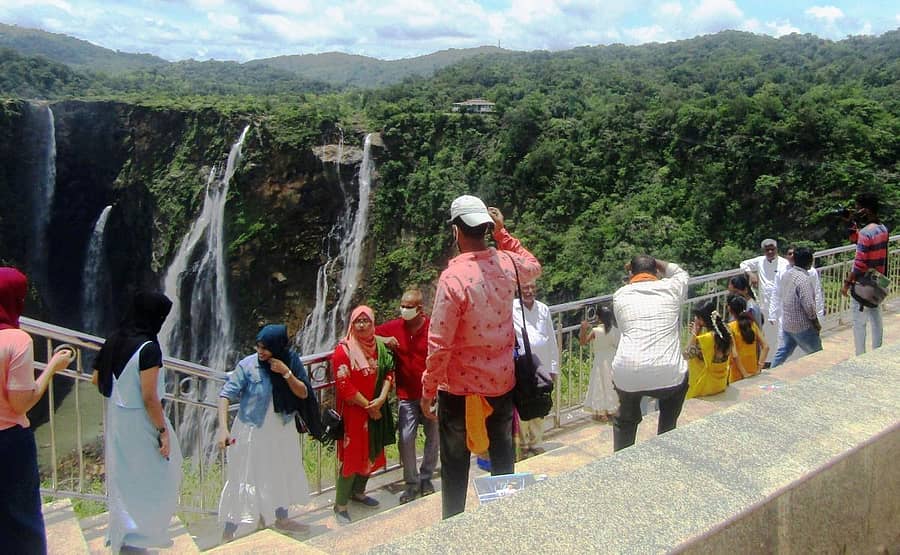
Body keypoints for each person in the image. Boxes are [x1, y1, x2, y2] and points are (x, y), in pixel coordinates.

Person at [420, 195, 541, 519]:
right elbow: (534, 266)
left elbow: (440, 342)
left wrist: (428, 389)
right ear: (486, 228)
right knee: (502, 454)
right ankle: (504, 520)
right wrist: (504, 235)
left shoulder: (453, 278)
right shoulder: (506, 263)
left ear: (456, 231)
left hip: (459, 390)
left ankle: (454, 525)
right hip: (501, 384)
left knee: (455, 462)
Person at [91, 290, 182, 553]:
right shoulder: (149, 349)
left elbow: (96, 380)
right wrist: (162, 430)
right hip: (142, 422)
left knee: (126, 478)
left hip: (118, 418)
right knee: (160, 476)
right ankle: (143, 538)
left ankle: (125, 535)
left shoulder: (114, 339)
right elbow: (149, 397)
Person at [216, 324, 316, 542]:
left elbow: (303, 392)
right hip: (252, 431)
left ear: (278, 347)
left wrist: (286, 372)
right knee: (243, 476)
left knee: (280, 472)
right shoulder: (248, 365)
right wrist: (223, 428)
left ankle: (281, 519)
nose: (260, 352)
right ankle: (230, 528)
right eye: (258, 346)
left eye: (266, 348)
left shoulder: (290, 361)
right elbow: (226, 394)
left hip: (281, 428)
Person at [1, 267, 74, 555]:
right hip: (8, 442)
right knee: (21, 517)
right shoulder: (17, 341)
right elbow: (21, 402)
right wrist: (52, 368)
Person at [610, 255, 689, 451]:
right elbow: (680, 273)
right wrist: (657, 261)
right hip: (668, 373)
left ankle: (622, 455)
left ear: (630, 274)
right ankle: (667, 433)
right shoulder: (671, 288)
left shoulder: (620, 295)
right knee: (682, 378)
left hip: (628, 373)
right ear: (656, 273)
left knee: (625, 417)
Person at [374, 288, 438, 505]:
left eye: (408, 306)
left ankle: (426, 478)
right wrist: (384, 340)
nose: (403, 309)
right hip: (406, 395)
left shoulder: (432, 328)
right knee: (406, 438)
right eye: (402, 305)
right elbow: (364, 334)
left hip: (431, 393)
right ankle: (411, 482)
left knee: (433, 437)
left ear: (419, 309)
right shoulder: (395, 327)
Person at [332, 306, 395, 524]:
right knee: (352, 457)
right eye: (357, 321)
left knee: (371, 453)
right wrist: (369, 406)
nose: (362, 325)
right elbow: (344, 385)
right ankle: (340, 504)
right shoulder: (344, 350)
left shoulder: (379, 346)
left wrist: (381, 399)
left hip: (376, 410)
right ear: (351, 324)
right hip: (355, 414)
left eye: (366, 321)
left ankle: (358, 493)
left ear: (372, 323)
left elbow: (389, 371)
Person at [512, 279, 559, 457]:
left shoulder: (543, 309)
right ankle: (523, 444)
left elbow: (551, 338)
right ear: (518, 290)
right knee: (523, 402)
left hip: (542, 365)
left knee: (541, 402)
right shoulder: (511, 308)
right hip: (522, 366)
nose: (529, 291)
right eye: (525, 287)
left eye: (532, 287)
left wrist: (553, 366)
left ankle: (537, 442)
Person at [841, 192, 889, 355]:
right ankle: (878, 350)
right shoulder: (882, 229)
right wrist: (850, 224)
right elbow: (857, 240)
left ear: (865, 210)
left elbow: (859, 263)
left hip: (864, 283)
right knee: (876, 316)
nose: (856, 211)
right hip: (878, 280)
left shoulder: (866, 233)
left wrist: (847, 284)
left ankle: (860, 355)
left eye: (858, 208)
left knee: (859, 322)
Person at [740, 239, 789, 366]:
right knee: (766, 332)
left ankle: (778, 360)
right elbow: (743, 264)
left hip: (780, 304)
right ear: (764, 251)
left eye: (773, 249)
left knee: (780, 332)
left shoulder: (784, 263)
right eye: (767, 249)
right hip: (764, 304)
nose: (770, 251)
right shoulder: (760, 261)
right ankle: (767, 360)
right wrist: (751, 274)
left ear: (777, 249)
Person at [771, 247, 822, 367]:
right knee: (817, 353)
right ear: (808, 262)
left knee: (783, 351)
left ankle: (772, 370)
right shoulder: (803, 279)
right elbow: (808, 305)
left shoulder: (787, 274)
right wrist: (816, 323)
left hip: (788, 323)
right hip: (802, 326)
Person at [684, 301, 738, 398]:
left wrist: (694, 334)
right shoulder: (726, 333)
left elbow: (687, 355)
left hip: (705, 386)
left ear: (702, 319)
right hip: (721, 383)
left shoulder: (707, 339)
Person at [579, 305, 619, 422]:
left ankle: (602, 410)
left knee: (600, 384)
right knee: (611, 384)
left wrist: (583, 329)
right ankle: (613, 408)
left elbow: (583, 342)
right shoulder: (615, 330)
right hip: (612, 358)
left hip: (600, 360)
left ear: (598, 318)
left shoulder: (596, 331)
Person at [726, 295, 769, 383]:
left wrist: (744, 374)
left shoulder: (730, 327)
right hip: (753, 370)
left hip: (736, 374)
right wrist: (759, 367)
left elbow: (734, 354)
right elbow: (766, 347)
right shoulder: (752, 324)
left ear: (730, 310)